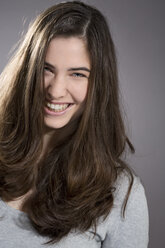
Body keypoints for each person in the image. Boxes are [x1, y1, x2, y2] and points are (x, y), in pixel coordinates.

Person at [0, 1, 149, 247]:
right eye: (46, 69)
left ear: (99, 85)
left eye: (77, 74)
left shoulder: (122, 195)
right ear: (27, 71)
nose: (56, 90)